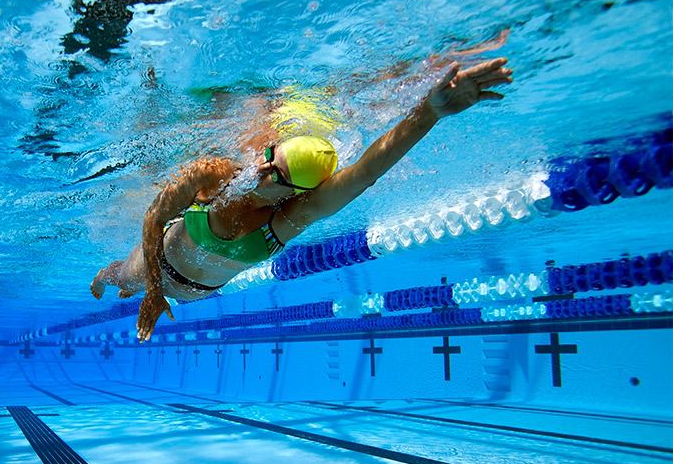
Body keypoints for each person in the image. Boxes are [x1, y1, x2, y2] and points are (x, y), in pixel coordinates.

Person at [90, 57, 513, 341]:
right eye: (270, 155)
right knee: (118, 277)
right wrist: (150, 292)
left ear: (295, 193)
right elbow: (153, 215)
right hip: (152, 262)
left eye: (278, 175)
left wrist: (430, 113)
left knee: (139, 287)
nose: (262, 168)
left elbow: (363, 173)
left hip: (192, 293)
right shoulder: (212, 175)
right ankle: (103, 277)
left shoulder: (290, 219)